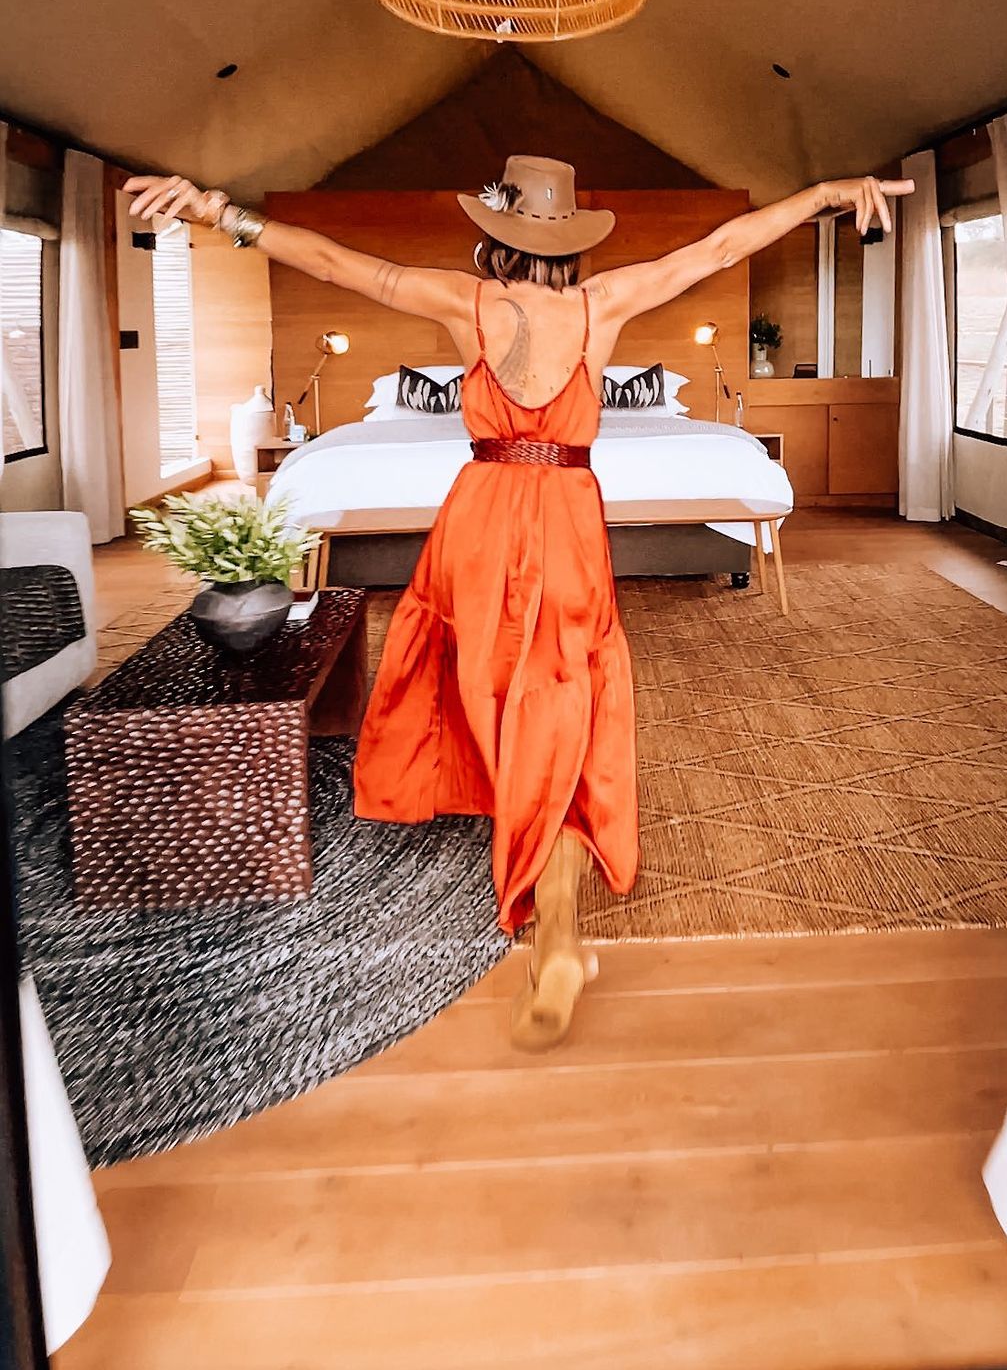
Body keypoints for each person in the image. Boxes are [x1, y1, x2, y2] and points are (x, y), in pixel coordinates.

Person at [125, 154, 912, 1048]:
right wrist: (824, 193)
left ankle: (553, 914)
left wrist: (218, 210)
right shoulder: (605, 303)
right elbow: (721, 247)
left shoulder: (464, 301)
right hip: (567, 519)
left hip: (480, 518)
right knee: (563, 695)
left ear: (495, 233)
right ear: (573, 238)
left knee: (489, 682)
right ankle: (561, 930)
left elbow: (340, 264)